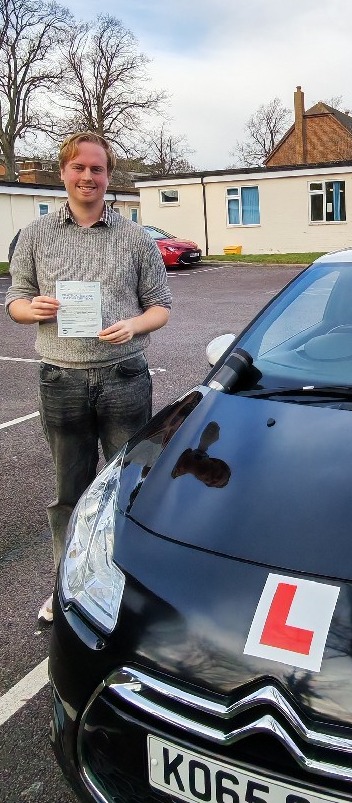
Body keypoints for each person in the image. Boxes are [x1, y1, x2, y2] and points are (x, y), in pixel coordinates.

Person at [5, 132, 172, 623]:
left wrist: (134, 325)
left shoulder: (135, 238)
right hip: (61, 380)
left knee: (128, 487)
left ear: (108, 176)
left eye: (97, 169)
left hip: (124, 376)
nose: (87, 176)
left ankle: (125, 582)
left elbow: (161, 306)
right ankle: (66, 583)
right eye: (78, 167)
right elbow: (14, 299)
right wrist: (29, 309)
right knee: (69, 491)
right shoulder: (35, 235)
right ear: (63, 173)